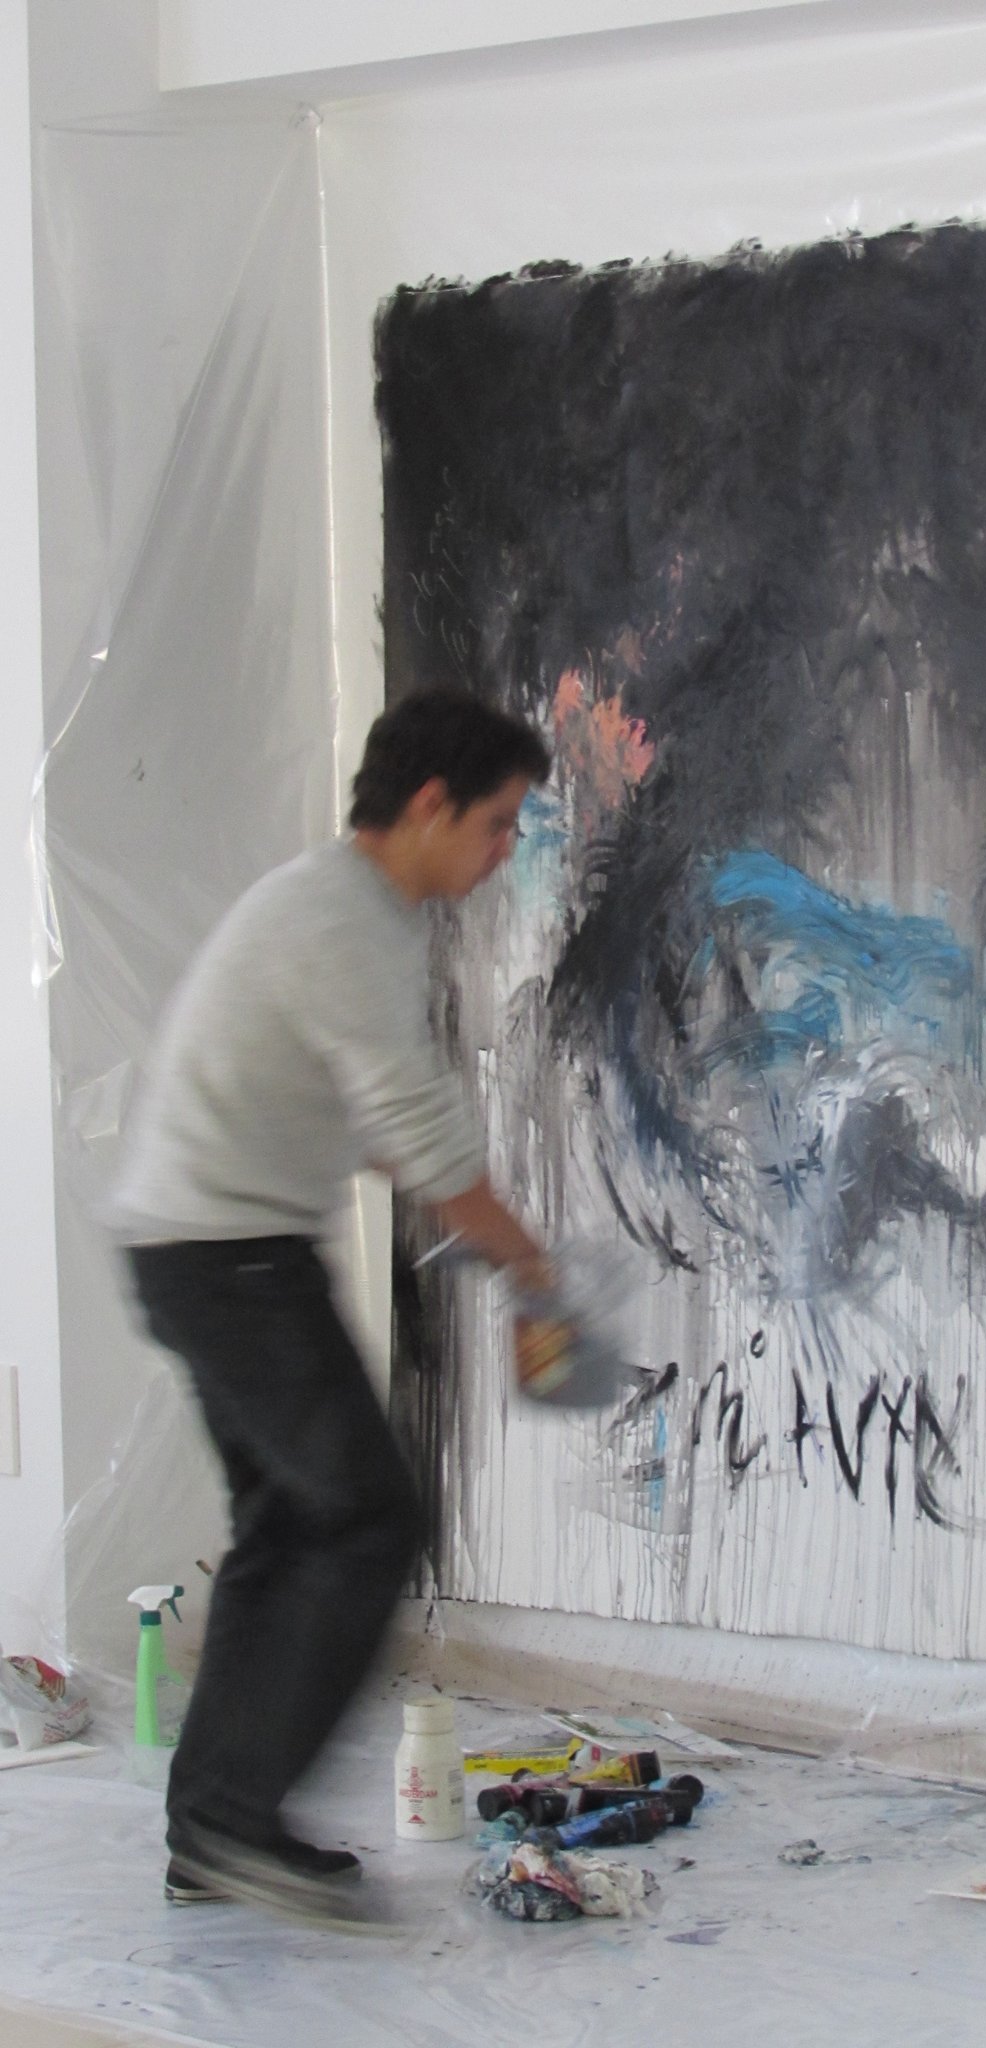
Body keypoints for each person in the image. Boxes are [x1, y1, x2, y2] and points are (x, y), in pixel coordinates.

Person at [112, 690, 552, 1922]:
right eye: (499, 822)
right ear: (429, 804)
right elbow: (418, 1126)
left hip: (207, 1245)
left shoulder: (352, 912)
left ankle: (216, 1826)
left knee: (288, 1526)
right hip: (228, 1253)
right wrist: (532, 1265)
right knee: (366, 1513)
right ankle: (230, 1820)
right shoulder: (342, 919)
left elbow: (363, 1113)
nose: (505, 848)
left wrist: (470, 1223)